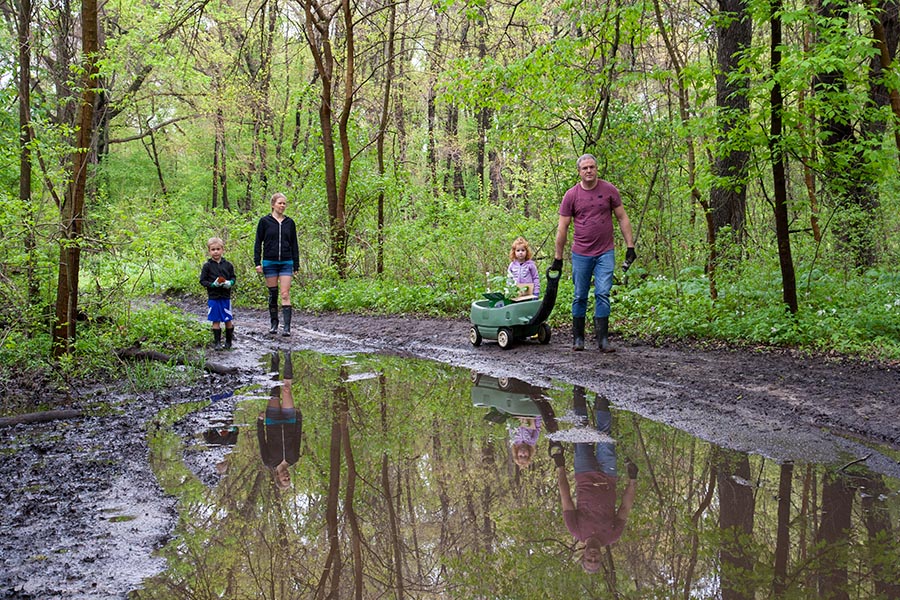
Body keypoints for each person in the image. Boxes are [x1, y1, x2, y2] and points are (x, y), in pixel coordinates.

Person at [549, 386, 638, 574]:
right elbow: (624, 508)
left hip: (584, 473)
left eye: (589, 559)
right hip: (609, 476)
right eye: (595, 561)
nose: (593, 557)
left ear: (583, 555)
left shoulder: (575, 530)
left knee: (581, 433)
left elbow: (565, 498)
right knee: (605, 436)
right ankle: (602, 395)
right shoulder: (613, 535)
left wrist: (560, 467)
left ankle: (578, 392)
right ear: (601, 558)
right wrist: (632, 481)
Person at [553, 154, 636, 351]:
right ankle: (578, 339)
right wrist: (558, 257)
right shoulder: (571, 195)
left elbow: (622, 218)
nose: (589, 171)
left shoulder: (609, 190)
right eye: (585, 168)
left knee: (602, 293)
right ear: (579, 172)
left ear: (596, 169)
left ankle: (603, 340)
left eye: (592, 167)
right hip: (581, 253)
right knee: (580, 295)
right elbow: (562, 228)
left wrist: (630, 246)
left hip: (605, 252)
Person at [254, 192, 300, 336]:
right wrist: (257, 262)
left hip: (286, 262)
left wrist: (296, 264)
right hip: (270, 262)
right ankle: (274, 323)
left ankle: (287, 327)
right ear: (273, 204)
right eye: (280, 203)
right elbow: (258, 242)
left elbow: (294, 244)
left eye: (284, 203)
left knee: (285, 294)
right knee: (273, 294)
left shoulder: (290, 223)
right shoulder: (264, 221)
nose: (282, 206)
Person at [258, 351, 301, 490]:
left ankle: (275, 359)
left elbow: (262, 441)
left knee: (274, 390)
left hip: (272, 422)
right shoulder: (294, 459)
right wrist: (299, 418)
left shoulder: (268, 462)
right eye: (289, 479)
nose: (287, 477)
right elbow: (297, 437)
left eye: (284, 479)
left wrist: (260, 422)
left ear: (278, 478)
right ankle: (288, 356)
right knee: (287, 389)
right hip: (289, 421)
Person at [199, 237, 236, 350]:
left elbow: (233, 277)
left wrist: (230, 282)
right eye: (213, 249)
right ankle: (217, 343)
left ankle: (229, 342)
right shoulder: (207, 266)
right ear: (209, 251)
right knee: (216, 319)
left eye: (218, 249)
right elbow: (202, 281)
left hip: (225, 296)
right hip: (213, 297)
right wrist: (212, 285)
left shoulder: (228, 265)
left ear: (222, 250)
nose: (216, 252)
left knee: (227, 319)